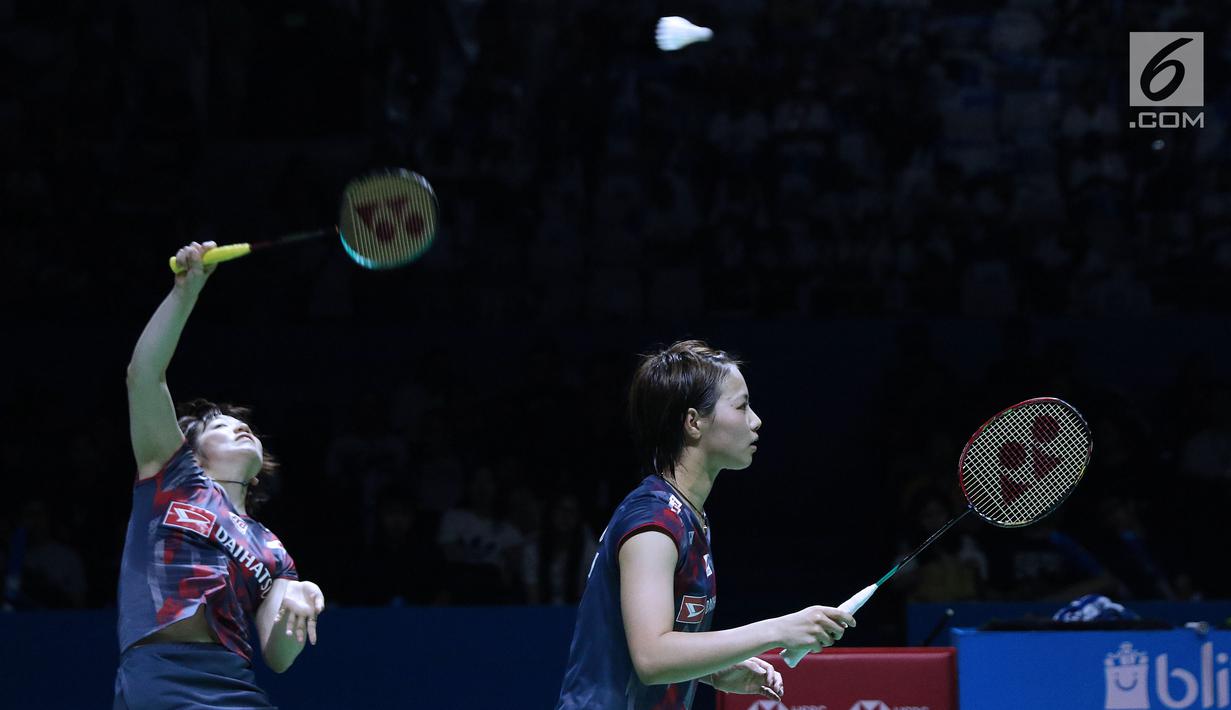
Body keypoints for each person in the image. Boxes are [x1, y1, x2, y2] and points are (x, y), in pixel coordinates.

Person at [556, 340, 855, 709]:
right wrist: (778, 629)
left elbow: (638, 647)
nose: (756, 420)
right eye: (742, 406)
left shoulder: (688, 515)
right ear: (694, 422)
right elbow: (652, 657)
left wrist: (712, 670)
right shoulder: (653, 525)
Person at [115, 241, 325, 709]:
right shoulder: (170, 478)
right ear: (192, 448)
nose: (241, 427)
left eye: (244, 425)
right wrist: (185, 292)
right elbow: (144, 375)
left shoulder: (271, 549)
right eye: (222, 426)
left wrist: (299, 604)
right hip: (161, 676)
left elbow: (279, 655)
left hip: (232, 685)